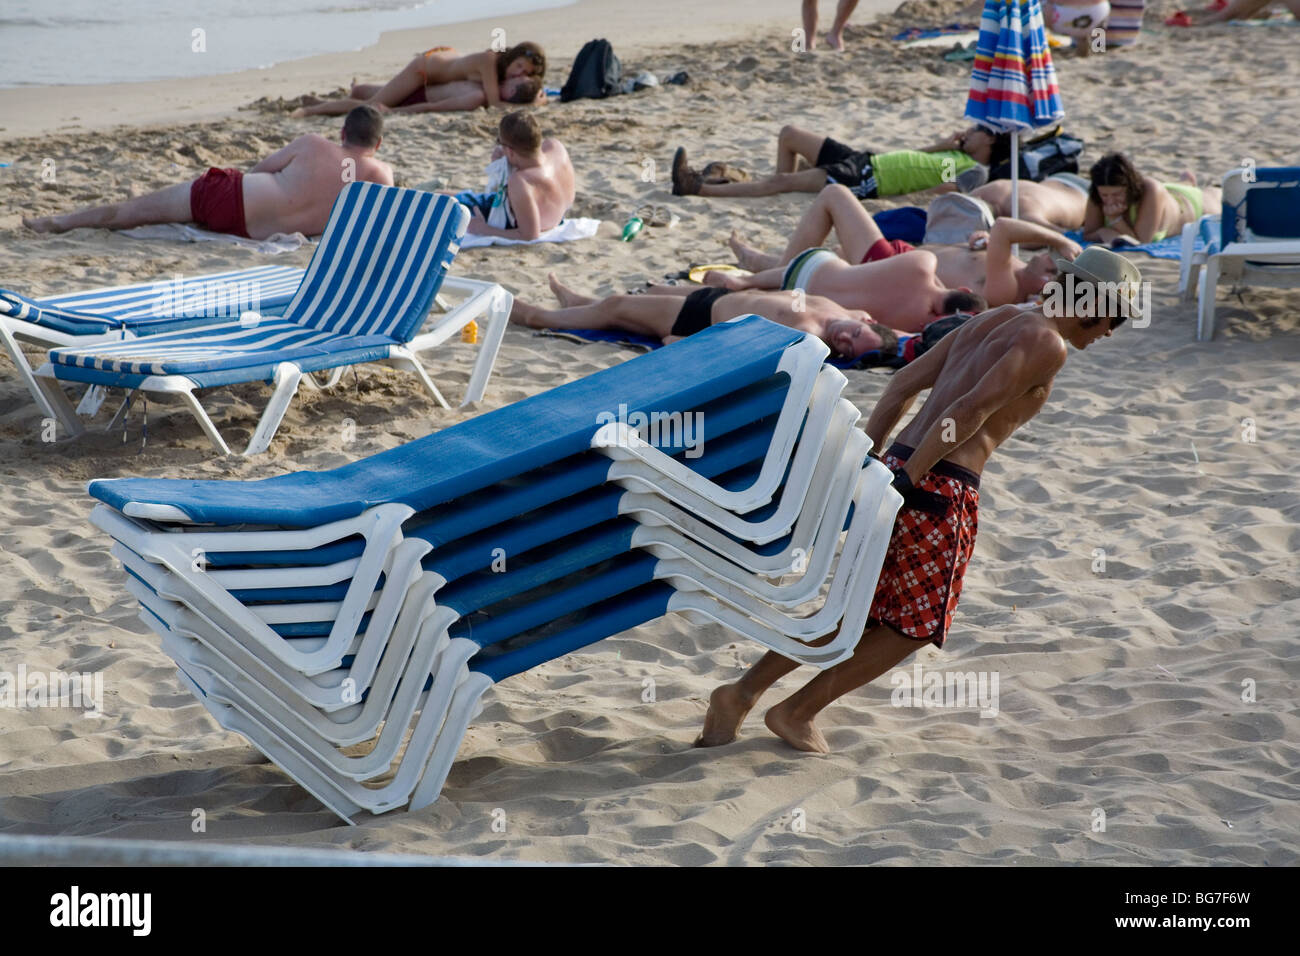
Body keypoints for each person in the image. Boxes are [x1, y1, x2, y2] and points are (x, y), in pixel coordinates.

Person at [694, 246, 1144, 753]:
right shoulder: (1047, 342)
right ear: (1093, 304)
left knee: (856, 607)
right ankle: (796, 711)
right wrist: (912, 478)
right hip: (940, 481)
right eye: (1115, 319)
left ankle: (741, 694)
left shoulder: (994, 317)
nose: (1110, 332)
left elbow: (902, 384)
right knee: (914, 625)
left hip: (901, 466)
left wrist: (876, 459)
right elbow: (970, 409)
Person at [23, 107, 393, 239]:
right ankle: (60, 222)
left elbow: (258, 169)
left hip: (229, 199)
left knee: (135, 211)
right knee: (143, 212)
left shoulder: (314, 143)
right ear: (376, 144)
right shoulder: (380, 175)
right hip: (257, 231)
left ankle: (60, 221)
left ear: (342, 133)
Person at [714, 184, 1072, 315]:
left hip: (890, 267)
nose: (1047, 257)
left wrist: (1062, 240)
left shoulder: (1005, 287)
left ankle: (771, 270)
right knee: (835, 251)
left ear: (1043, 286)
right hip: (904, 255)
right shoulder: (1011, 268)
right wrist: (977, 243)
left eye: (1052, 267)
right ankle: (767, 266)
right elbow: (997, 238)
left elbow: (1007, 228)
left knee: (834, 196)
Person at [510, 273, 896, 361]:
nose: (844, 338)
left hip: (698, 317)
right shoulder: (847, 314)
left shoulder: (808, 333)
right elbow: (905, 338)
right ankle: (576, 300)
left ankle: (536, 317)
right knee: (624, 300)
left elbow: (743, 345)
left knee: (615, 308)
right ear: (867, 320)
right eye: (856, 333)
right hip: (724, 296)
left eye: (845, 348)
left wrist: (687, 343)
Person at [671, 124, 1010, 199]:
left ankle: (695, 187)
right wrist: (936, 146)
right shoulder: (952, 153)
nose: (966, 131)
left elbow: (944, 192)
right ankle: (770, 187)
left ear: (990, 139)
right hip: (864, 160)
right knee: (789, 134)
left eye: (975, 130)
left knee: (782, 183)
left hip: (866, 179)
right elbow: (917, 161)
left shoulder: (975, 170)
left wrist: (890, 195)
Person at [292, 42, 546, 117]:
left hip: (441, 67)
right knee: (375, 106)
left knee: (387, 95)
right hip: (424, 69)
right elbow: (495, 103)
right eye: (519, 66)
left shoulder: (498, 68)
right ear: (512, 57)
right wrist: (532, 105)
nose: (518, 74)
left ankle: (334, 96)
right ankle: (309, 110)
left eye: (525, 74)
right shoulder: (490, 61)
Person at [450, 111, 574, 241]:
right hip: (556, 217)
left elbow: (530, 235)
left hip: (508, 219)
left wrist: (484, 229)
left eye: (500, 143)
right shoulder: (556, 148)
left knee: (443, 200)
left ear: (510, 151)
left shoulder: (522, 181)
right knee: (465, 196)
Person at [1083, 152, 1221, 246]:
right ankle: (1185, 181)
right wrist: (1103, 231)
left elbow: (1140, 241)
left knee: (1219, 197)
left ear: (1129, 188)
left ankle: (1187, 184)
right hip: (1166, 194)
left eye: (1117, 194)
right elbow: (1088, 234)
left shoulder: (1150, 190)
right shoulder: (1098, 191)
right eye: (1105, 195)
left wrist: (1115, 220)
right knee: (1167, 190)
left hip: (1188, 205)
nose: (1111, 201)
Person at [971, 173, 1090, 231]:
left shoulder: (1025, 211)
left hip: (1086, 196)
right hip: (1058, 178)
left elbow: (1057, 234)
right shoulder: (988, 191)